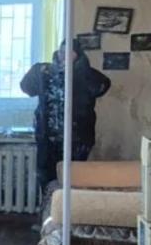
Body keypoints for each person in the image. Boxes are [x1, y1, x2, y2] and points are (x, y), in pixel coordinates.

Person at [21, 44, 112, 188]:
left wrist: (79, 71)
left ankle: (70, 202)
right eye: (62, 51)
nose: (64, 55)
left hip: (77, 140)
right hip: (48, 138)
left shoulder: (85, 74)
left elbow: (103, 85)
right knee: (47, 178)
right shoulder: (45, 71)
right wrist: (37, 72)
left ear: (78, 55)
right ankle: (50, 202)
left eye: (70, 52)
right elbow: (26, 87)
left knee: (74, 179)